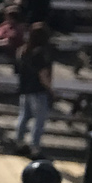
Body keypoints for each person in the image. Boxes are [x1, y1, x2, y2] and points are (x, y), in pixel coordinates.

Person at [12, 23, 54, 156]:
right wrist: (51, 90)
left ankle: (18, 142)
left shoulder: (23, 51)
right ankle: (35, 148)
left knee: (23, 117)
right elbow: (43, 75)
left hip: (25, 89)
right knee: (39, 121)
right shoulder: (41, 52)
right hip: (38, 90)